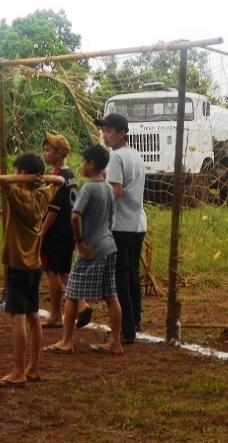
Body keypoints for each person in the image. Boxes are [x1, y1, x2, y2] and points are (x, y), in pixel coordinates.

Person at [0, 153, 65, 388]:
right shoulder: (42, 196)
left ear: (21, 174)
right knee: (33, 317)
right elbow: (60, 181)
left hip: (18, 267)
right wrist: (39, 180)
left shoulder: (17, 194)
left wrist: (26, 178)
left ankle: (18, 371)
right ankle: (33, 367)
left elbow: (0, 179)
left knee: (19, 319)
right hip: (34, 266)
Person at [43, 144, 123, 355]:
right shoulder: (108, 187)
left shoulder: (88, 188)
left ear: (92, 164)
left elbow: (75, 215)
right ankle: (116, 342)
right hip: (108, 246)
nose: (82, 166)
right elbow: (111, 220)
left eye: (84, 162)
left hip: (90, 249)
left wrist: (79, 240)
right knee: (111, 295)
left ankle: (66, 341)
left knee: (72, 295)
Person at [95, 113, 147, 345]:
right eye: (103, 130)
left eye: (109, 131)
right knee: (132, 273)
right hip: (138, 223)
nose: (104, 135)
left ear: (122, 133)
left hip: (121, 224)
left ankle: (126, 329)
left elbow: (115, 192)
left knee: (120, 276)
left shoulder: (115, 157)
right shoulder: (135, 155)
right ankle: (135, 318)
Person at [40, 132, 92, 329]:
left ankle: (55, 314)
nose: (45, 153)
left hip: (56, 231)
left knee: (52, 271)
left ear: (59, 153)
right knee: (64, 272)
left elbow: (53, 209)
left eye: (48, 150)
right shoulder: (69, 175)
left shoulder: (57, 176)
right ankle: (81, 304)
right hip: (69, 230)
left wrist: (43, 231)